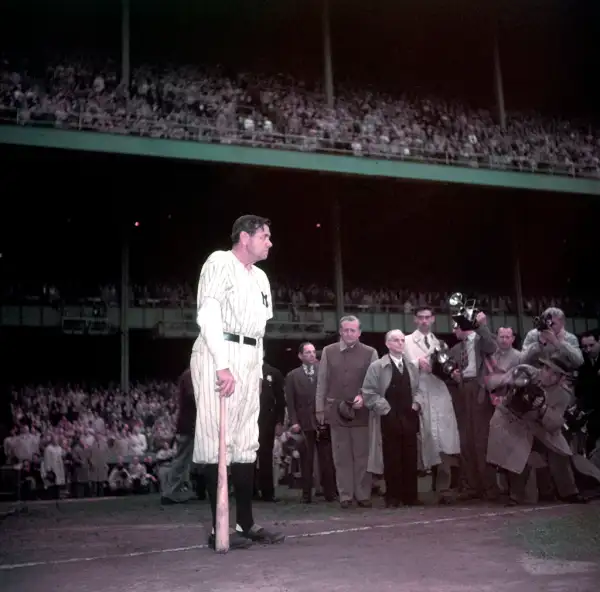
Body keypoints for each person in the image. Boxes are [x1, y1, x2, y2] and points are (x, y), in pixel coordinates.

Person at [190, 214, 284, 551]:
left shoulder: (260, 277)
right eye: (265, 236)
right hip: (221, 351)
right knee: (219, 437)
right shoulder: (219, 261)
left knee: (246, 440)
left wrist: (255, 371)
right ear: (245, 238)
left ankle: (246, 522)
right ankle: (219, 528)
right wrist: (222, 365)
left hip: (249, 355)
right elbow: (208, 315)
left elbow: (260, 334)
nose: (269, 243)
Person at [362, 330, 431, 507]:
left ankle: (410, 496)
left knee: (410, 457)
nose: (400, 343)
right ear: (387, 344)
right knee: (391, 458)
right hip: (388, 418)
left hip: (409, 416)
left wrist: (417, 404)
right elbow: (369, 392)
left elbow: (420, 389)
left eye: (402, 340)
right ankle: (392, 497)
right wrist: (385, 409)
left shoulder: (411, 366)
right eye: (396, 340)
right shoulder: (377, 366)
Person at [161, 368, 198, 505]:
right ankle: (169, 492)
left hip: (191, 424)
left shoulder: (192, 373)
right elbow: (192, 396)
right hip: (188, 424)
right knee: (182, 459)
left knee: (188, 460)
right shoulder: (191, 374)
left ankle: (180, 490)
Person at [255, 360, 286, 502]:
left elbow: (280, 400)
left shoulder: (273, 372)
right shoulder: (242, 369)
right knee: (245, 457)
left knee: (266, 456)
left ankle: (267, 491)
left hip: (267, 421)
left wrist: (280, 422)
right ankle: (250, 490)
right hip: (247, 421)